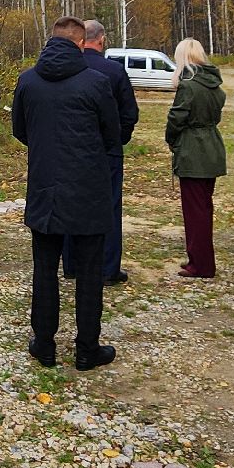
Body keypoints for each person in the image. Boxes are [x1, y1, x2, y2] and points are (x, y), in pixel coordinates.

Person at [12, 16, 122, 372]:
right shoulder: (97, 82)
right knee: (89, 273)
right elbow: (112, 135)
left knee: (44, 269)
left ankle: (44, 345)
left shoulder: (28, 81)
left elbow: (20, 130)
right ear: (80, 44)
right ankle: (86, 349)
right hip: (88, 190)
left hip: (45, 188)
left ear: (51, 41)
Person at [63, 19, 139, 284]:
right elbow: (129, 114)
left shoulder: (68, 68)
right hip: (106, 152)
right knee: (109, 208)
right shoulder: (114, 71)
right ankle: (107, 269)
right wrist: (118, 141)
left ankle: (72, 264)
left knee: (71, 204)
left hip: (71, 150)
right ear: (102, 39)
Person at [164, 38, 226, 278]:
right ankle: (199, 259)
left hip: (194, 152)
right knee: (204, 208)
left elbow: (176, 118)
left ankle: (201, 265)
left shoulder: (188, 86)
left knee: (195, 211)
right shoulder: (214, 84)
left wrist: (172, 139)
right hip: (211, 148)